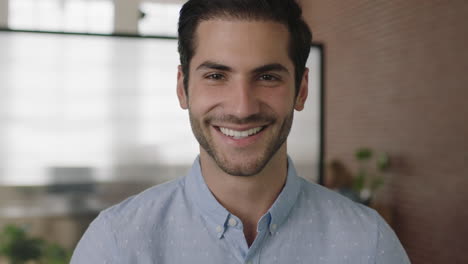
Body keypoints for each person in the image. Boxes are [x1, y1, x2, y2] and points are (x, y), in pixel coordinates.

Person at [71, 0, 411, 263]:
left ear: (302, 89)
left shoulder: (369, 244)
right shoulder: (115, 243)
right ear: (182, 88)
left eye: (267, 77)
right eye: (216, 76)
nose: (242, 107)